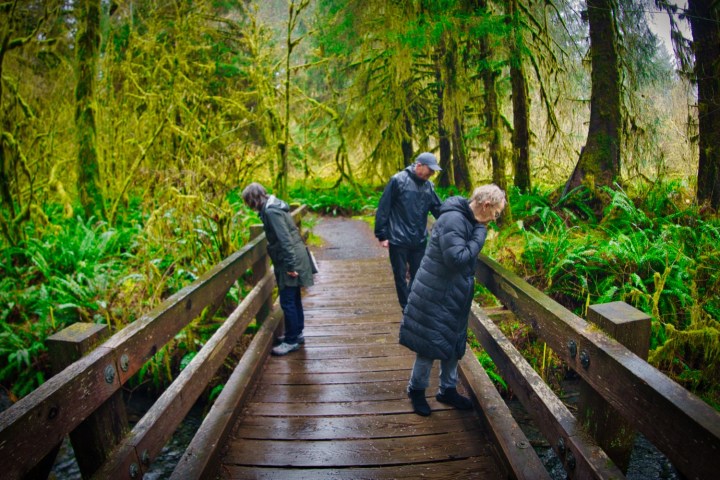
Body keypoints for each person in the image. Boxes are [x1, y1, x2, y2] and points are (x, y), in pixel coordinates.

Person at [399, 184, 507, 416]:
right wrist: (480, 233)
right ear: (486, 205)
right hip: (435, 293)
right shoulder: (454, 220)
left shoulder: (465, 218)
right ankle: (416, 391)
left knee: (454, 342)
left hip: (452, 294)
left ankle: (447, 390)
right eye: (496, 213)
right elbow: (456, 259)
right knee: (428, 344)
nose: (494, 218)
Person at [242, 183, 314, 356]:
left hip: (290, 259)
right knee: (293, 297)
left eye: (248, 202)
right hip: (293, 256)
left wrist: (290, 266)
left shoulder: (271, 212)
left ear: (253, 199)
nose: (249, 206)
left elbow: (285, 239)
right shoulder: (274, 206)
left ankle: (291, 341)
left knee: (287, 300)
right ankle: (296, 334)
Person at [374, 152, 443, 311]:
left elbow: (438, 208)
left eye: (434, 171)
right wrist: (382, 235)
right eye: (430, 170)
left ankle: (411, 303)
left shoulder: (428, 186)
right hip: (398, 239)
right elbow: (384, 208)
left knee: (418, 275)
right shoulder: (398, 181)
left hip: (419, 239)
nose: (432, 174)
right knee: (400, 276)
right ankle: (406, 307)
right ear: (419, 165)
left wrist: (455, 216)